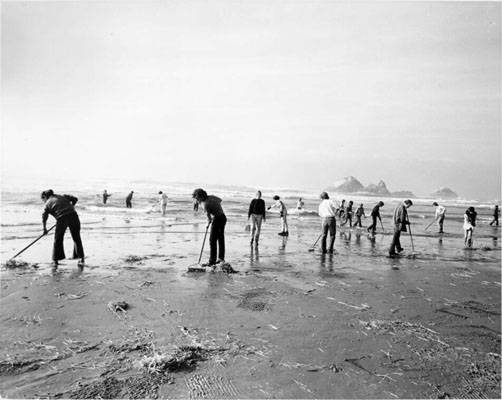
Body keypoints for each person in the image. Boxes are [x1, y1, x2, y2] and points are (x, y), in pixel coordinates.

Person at [41, 189, 85, 268]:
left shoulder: (47, 203)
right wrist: (71, 207)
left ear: (45, 197)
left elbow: (44, 216)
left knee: (58, 239)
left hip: (62, 219)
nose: (43, 201)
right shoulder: (63, 196)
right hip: (73, 216)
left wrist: (44, 229)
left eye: (43, 200)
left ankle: (55, 261)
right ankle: (81, 259)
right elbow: (75, 199)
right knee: (76, 238)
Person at [192, 188, 227, 267]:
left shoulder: (205, 204)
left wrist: (207, 223)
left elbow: (209, 218)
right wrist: (215, 208)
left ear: (201, 197)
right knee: (220, 238)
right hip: (223, 217)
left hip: (217, 219)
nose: (196, 200)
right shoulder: (211, 197)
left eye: (197, 198)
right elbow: (220, 200)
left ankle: (212, 261)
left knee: (212, 240)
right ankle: (221, 259)